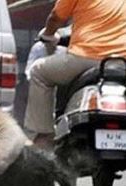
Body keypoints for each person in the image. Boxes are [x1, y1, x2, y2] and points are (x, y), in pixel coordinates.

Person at [24, 0, 126, 149]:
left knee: (39, 72)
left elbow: (55, 18)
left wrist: (48, 34)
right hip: (121, 63)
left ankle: (44, 136)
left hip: (84, 58)